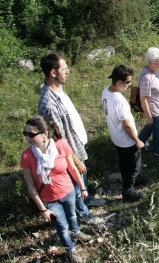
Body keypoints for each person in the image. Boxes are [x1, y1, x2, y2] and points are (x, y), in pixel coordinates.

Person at [38, 54, 105, 225]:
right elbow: (59, 139)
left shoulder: (58, 90)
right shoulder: (48, 104)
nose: (68, 71)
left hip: (76, 145)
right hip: (69, 152)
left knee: (81, 179)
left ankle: (86, 200)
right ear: (53, 72)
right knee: (75, 184)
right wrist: (75, 161)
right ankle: (83, 215)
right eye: (64, 68)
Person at [20, 115, 92, 263]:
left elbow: (72, 168)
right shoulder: (27, 156)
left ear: (45, 133)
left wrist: (83, 188)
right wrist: (42, 209)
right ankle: (70, 250)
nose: (28, 137)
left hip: (68, 192)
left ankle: (77, 232)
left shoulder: (61, 145)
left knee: (72, 216)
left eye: (31, 134)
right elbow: (31, 185)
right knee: (61, 226)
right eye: (25, 133)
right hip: (49, 200)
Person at [101, 65, 144, 201]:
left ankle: (131, 180)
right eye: (128, 82)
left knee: (124, 162)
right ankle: (128, 189)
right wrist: (137, 140)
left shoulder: (105, 91)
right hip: (127, 140)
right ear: (119, 82)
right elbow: (126, 125)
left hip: (116, 137)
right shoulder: (119, 101)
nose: (129, 85)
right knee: (134, 164)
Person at [138, 47, 159, 158]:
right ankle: (158, 149)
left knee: (150, 127)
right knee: (158, 130)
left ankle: (139, 143)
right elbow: (143, 99)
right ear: (149, 62)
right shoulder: (146, 77)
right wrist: (149, 116)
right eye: (158, 62)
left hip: (157, 105)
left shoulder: (153, 71)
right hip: (152, 108)